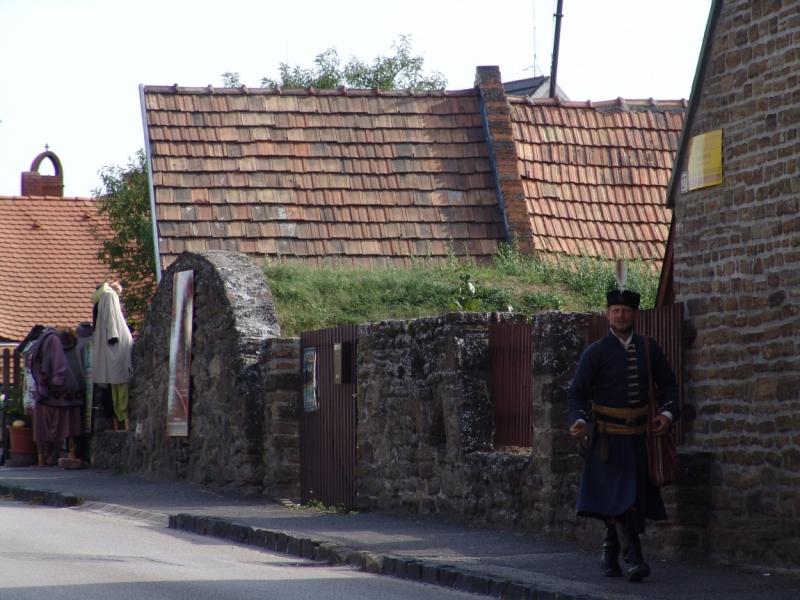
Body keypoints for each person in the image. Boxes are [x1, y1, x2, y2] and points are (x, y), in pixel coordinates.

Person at [568, 289, 679, 583]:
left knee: (623, 500)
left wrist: (667, 415)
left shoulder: (648, 348)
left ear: (635, 315)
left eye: (626, 311)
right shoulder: (597, 352)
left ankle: (609, 553)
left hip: (639, 439)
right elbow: (577, 393)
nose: (621, 315)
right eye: (615, 310)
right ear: (607, 315)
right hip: (608, 440)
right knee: (624, 500)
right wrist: (578, 419)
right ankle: (634, 559)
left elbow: (669, 385)